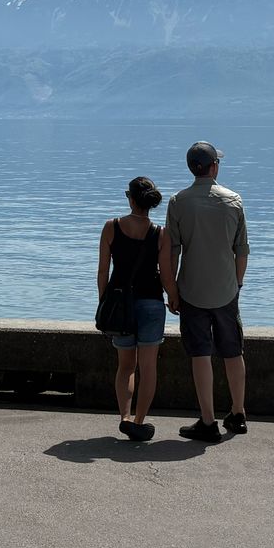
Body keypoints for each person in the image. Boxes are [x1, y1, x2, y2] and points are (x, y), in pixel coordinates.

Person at [161, 141, 249, 442]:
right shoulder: (234, 200)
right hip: (226, 289)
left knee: (200, 353)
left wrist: (171, 289)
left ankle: (208, 421)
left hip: (191, 290)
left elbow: (171, 251)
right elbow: (242, 251)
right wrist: (236, 284)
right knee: (233, 351)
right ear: (214, 167)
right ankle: (238, 413)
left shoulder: (178, 202)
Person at [97, 177, 166, 441]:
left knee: (126, 366)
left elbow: (103, 270)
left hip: (120, 304)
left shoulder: (111, 227)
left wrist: (104, 301)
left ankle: (124, 417)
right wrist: (174, 298)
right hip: (151, 303)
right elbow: (168, 275)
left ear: (131, 198)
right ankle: (139, 421)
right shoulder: (160, 233)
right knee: (148, 367)